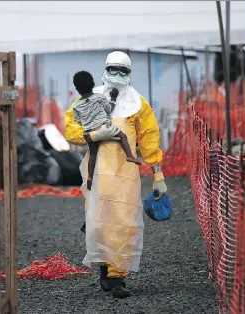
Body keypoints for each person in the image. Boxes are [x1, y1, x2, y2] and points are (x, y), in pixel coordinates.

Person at [64, 51, 168, 298]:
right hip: (97, 171)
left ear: (130, 73)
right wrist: (91, 136)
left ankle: (117, 276)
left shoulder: (138, 104)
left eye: (124, 70)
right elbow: (71, 129)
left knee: (123, 221)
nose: (118, 75)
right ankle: (104, 265)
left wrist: (158, 174)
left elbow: (150, 139)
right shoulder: (88, 99)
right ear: (105, 69)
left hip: (125, 173)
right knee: (99, 220)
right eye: (114, 69)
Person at [71, 70, 142, 190]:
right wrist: (113, 97)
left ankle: (89, 177)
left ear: (77, 89)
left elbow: (77, 120)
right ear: (93, 84)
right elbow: (109, 109)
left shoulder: (76, 106)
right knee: (122, 137)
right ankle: (129, 155)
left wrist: (88, 123)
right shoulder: (99, 98)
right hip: (105, 128)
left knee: (93, 154)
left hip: (91, 133)